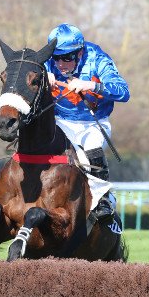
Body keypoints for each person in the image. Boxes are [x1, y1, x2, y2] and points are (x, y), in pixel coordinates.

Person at [44, 23, 130, 223]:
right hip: (59, 121)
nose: (60, 64)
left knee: (91, 145)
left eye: (67, 57)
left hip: (93, 123)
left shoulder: (97, 58)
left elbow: (124, 92)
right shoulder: (47, 61)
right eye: (56, 58)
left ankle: (104, 199)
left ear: (80, 52)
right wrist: (40, 77)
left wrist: (91, 85)